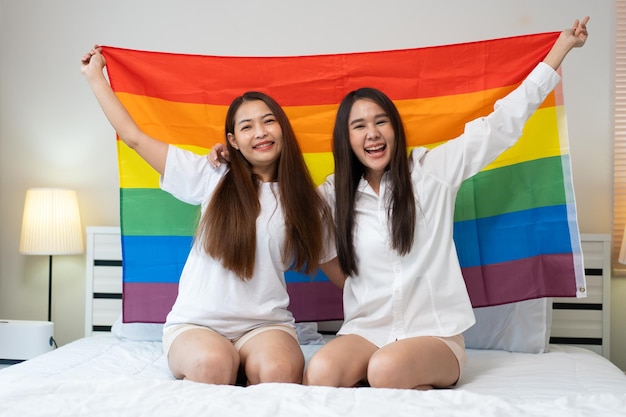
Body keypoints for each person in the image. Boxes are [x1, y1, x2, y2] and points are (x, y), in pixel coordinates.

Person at [302, 17, 590, 390]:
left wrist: (560, 50)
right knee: (320, 372)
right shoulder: (331, 196)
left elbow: (500, 125)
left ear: (395, 129)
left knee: (384, 370)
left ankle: (409, 378)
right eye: (359, 126)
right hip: (366, 331)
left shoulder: (431, 172)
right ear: (347, 138)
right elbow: (282, 202)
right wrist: (225, 162)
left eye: (381, 122)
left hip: (434, 335)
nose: (372, 133)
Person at [81, 46, 335, 386]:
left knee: (280, 372)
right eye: (247, 127)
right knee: (214, 365)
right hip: (197, 326)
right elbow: (135, 138)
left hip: (265, 326)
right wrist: (95, 76)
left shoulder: (308, 201)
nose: (260, 131)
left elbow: (338, 268)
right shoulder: (212, 175)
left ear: (283, 130)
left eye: (269, 121)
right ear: (233, 140)